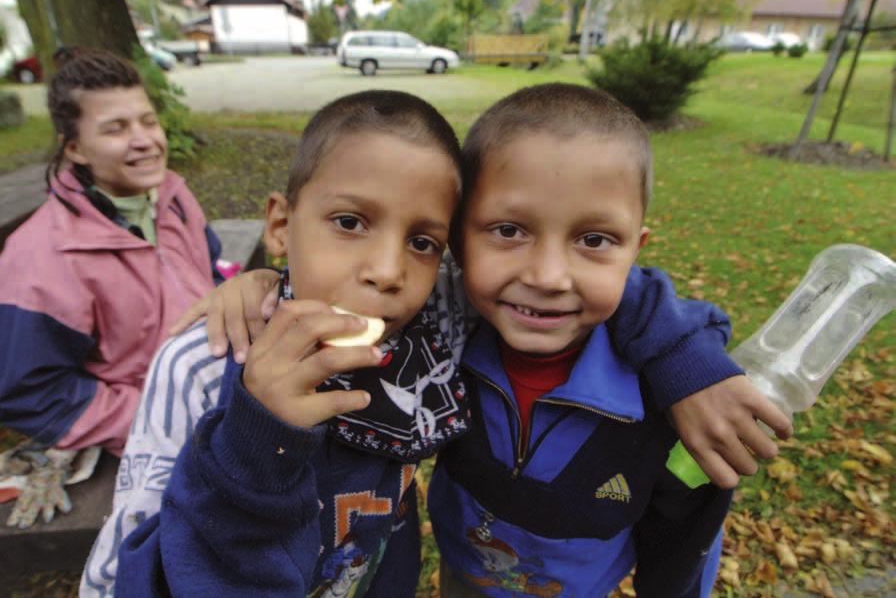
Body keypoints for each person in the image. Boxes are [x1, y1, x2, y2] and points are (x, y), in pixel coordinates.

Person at [82, 89, 786, 597]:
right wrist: (262, 295)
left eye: (423, 242)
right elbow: (125, 568)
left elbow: (583, 281)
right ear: (279, 222)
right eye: (351, 221)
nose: (387, 271)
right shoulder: (207, 364)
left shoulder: (436, 322)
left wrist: (685, 361)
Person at [428, 83, 752, 597]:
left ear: (635, 249)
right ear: (459, 237)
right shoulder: (442, 332)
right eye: (509, 230)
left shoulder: (667, 396)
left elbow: (687, 529)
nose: (550, 276)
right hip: (462, 573)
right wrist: (260, 288)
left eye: (594, 240)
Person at [0, 49, 222, 526]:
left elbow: (210, 276)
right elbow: (25, 389)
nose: (144, 140)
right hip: (151, 446)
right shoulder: (41, 256)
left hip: (219, 404)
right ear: (75, 148)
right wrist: (152, 418)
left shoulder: (173, 197)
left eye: (147, 120)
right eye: (116, 128)